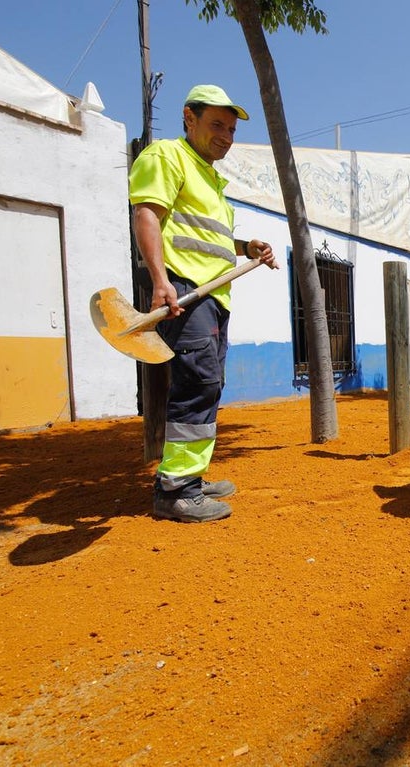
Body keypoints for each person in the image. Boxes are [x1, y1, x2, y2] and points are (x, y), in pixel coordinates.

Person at [128, 84, 278, 523]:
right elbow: (147, 215)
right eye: (217, 125)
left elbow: (204, 236)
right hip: (185, 290)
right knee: (198, 383)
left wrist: (244, 246)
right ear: (188, 118)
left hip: (213, 295)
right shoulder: (166, 157)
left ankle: (188, 476)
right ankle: (175, 492)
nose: (226, 137)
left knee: (209, 385)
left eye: (231, 130)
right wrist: (160, 280)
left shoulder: (209, 176)